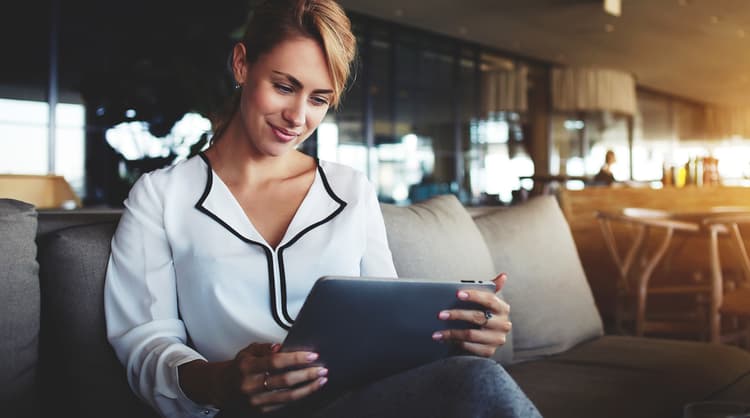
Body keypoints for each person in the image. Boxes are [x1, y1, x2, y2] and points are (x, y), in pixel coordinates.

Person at [103, 1, 542, 417]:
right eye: (283, 86)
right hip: (240, 410)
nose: (297, 117)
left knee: (478, 377)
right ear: (242, 65)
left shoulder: (351, 189)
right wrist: (221, 382)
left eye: (318, 99)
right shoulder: (160, 196)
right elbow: (145, 342)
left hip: (357, 401)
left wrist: (459, 335)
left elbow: (386, 322)